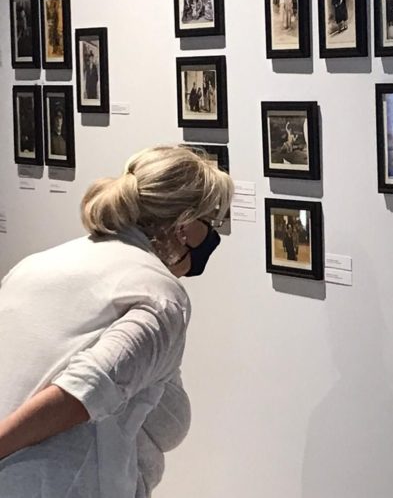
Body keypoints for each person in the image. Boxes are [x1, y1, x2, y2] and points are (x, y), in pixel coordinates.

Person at [0, 145, 234, 497]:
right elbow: (85, 388)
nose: (213, 236)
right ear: (185, 226)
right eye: (211, 223)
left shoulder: (36, 264)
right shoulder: (158, 294)